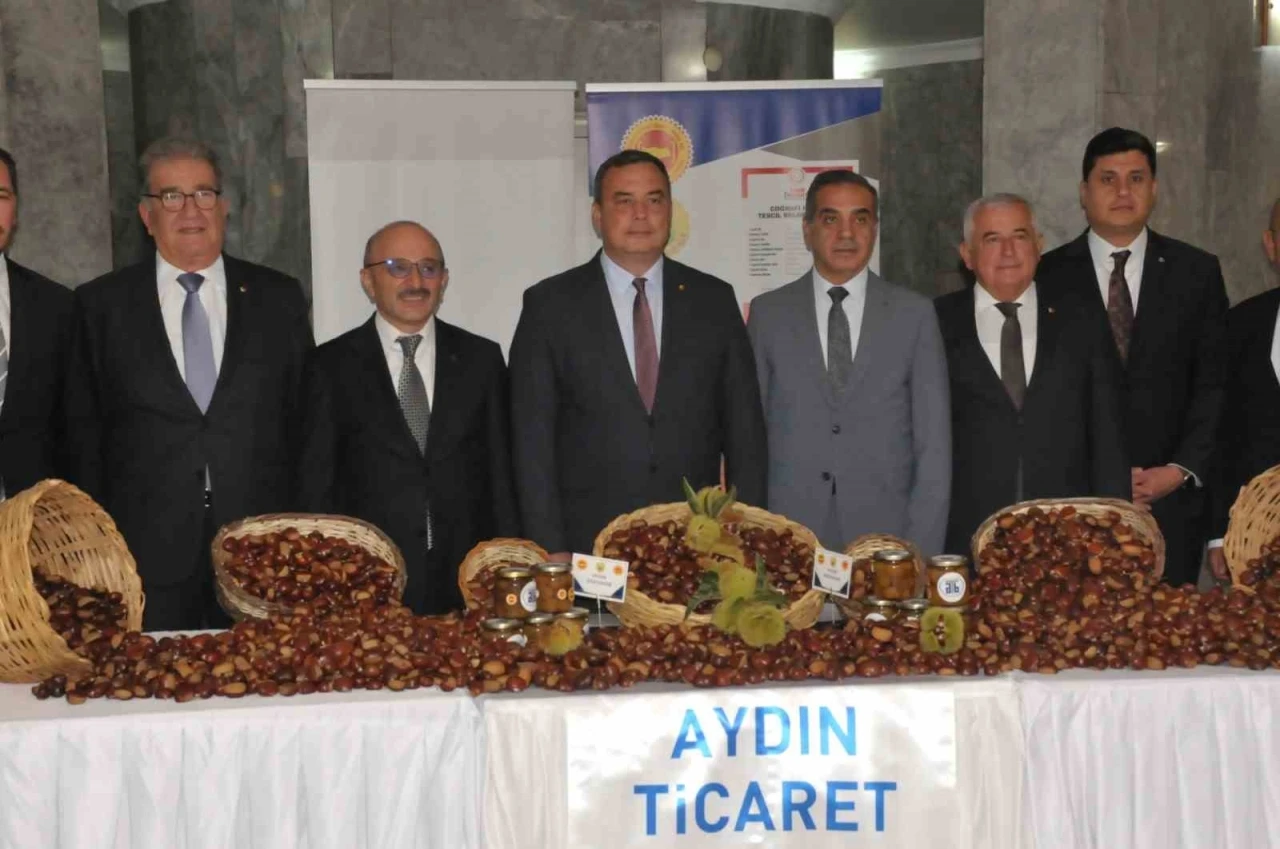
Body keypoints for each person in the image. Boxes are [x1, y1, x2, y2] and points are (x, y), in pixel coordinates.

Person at [64, 137, 313, 630]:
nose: (190, 210)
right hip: (144, 554)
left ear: (224, 206)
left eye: (203, 193)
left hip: (263, 553)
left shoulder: (278, 298)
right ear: (146, 215)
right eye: (171, 196)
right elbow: (82, 434)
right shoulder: (100, 306)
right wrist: (93, 547)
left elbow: (306, 423)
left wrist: (303, 533)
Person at [509, 149, 767, 556]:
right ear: (597, 216)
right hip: (588, 546)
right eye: (624, 201)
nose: (641, 214)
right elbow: (531, 444)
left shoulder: (713, 300)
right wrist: (549, 550)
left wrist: (746, 537)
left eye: (654, 199)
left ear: (670, 212)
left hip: (695, 544)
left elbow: (745, 434)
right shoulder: (550, 306)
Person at [1037, 127, 1228, 587]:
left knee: (1168, 629)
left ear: (1154, 188)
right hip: (1073, 505)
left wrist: (1178, 471)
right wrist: (1099, 477)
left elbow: (1215, 384)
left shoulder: (1196, 273)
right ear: (1084, 192)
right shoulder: (1046, 275)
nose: (1123, 192)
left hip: (1171, 505)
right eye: (1108, 179)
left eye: (1136, 178)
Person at [298, 221, 519, 614]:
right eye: (398, 267)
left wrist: (506, 568)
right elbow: (316, 485)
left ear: (444, 280)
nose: (416, 282)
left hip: (467, 584)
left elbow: (501, 476)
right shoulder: (328, 366)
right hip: (366, 583)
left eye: (428, 268)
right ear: (368, 281)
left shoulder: (481, 360)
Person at [746, 170, 950, 554]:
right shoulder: (769, 314)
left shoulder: (914, 315)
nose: (846, 233)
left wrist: (920, 552)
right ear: (807, 230)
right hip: (789, 536)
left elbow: (934, 446)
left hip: (888, 536)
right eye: (830, 219)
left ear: (875, 229)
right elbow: (750, 440)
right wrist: (756, 539)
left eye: (860, 219)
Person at [935, 194, 1129, 556]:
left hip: (1069, 539)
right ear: (967, 254)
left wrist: (1113, 531)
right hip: (964, 537)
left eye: (1020, 236)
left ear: (1039, 246)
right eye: (992, 239)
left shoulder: (1083, 319)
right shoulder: (934, 323)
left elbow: (1108, 435)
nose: (1008, 251)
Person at [1207, 198, 1280, 580]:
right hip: (1255, 548)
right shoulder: (1239, 325)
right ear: (1271, 245)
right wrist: (1219, 535)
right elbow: (1222, 437)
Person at [0, 147, 73, 500]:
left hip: (34, 520)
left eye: (1, 196)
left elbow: (76, 433)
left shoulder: (56, 307)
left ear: (16, 210)